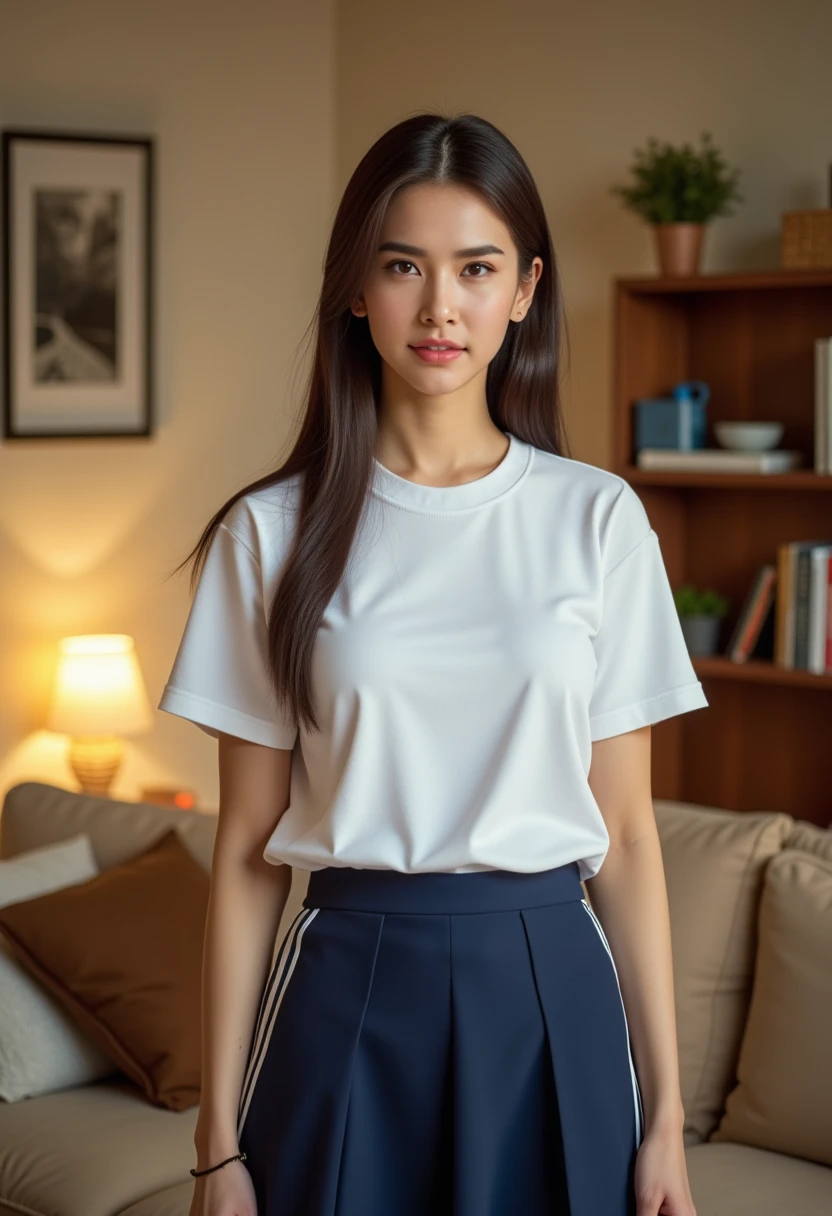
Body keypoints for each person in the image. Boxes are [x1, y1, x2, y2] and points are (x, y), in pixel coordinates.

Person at [159, 111, 707, 1216]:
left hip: (554, 985)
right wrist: (216, 1145)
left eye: (476, 267)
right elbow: (249, 856)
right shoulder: (268, 535)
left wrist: (665, 1119)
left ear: (524, 290)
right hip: (344, 990)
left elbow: (632, 842)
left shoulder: (597, 520)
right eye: (403, 265)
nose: (440, 305)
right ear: (357, 287)